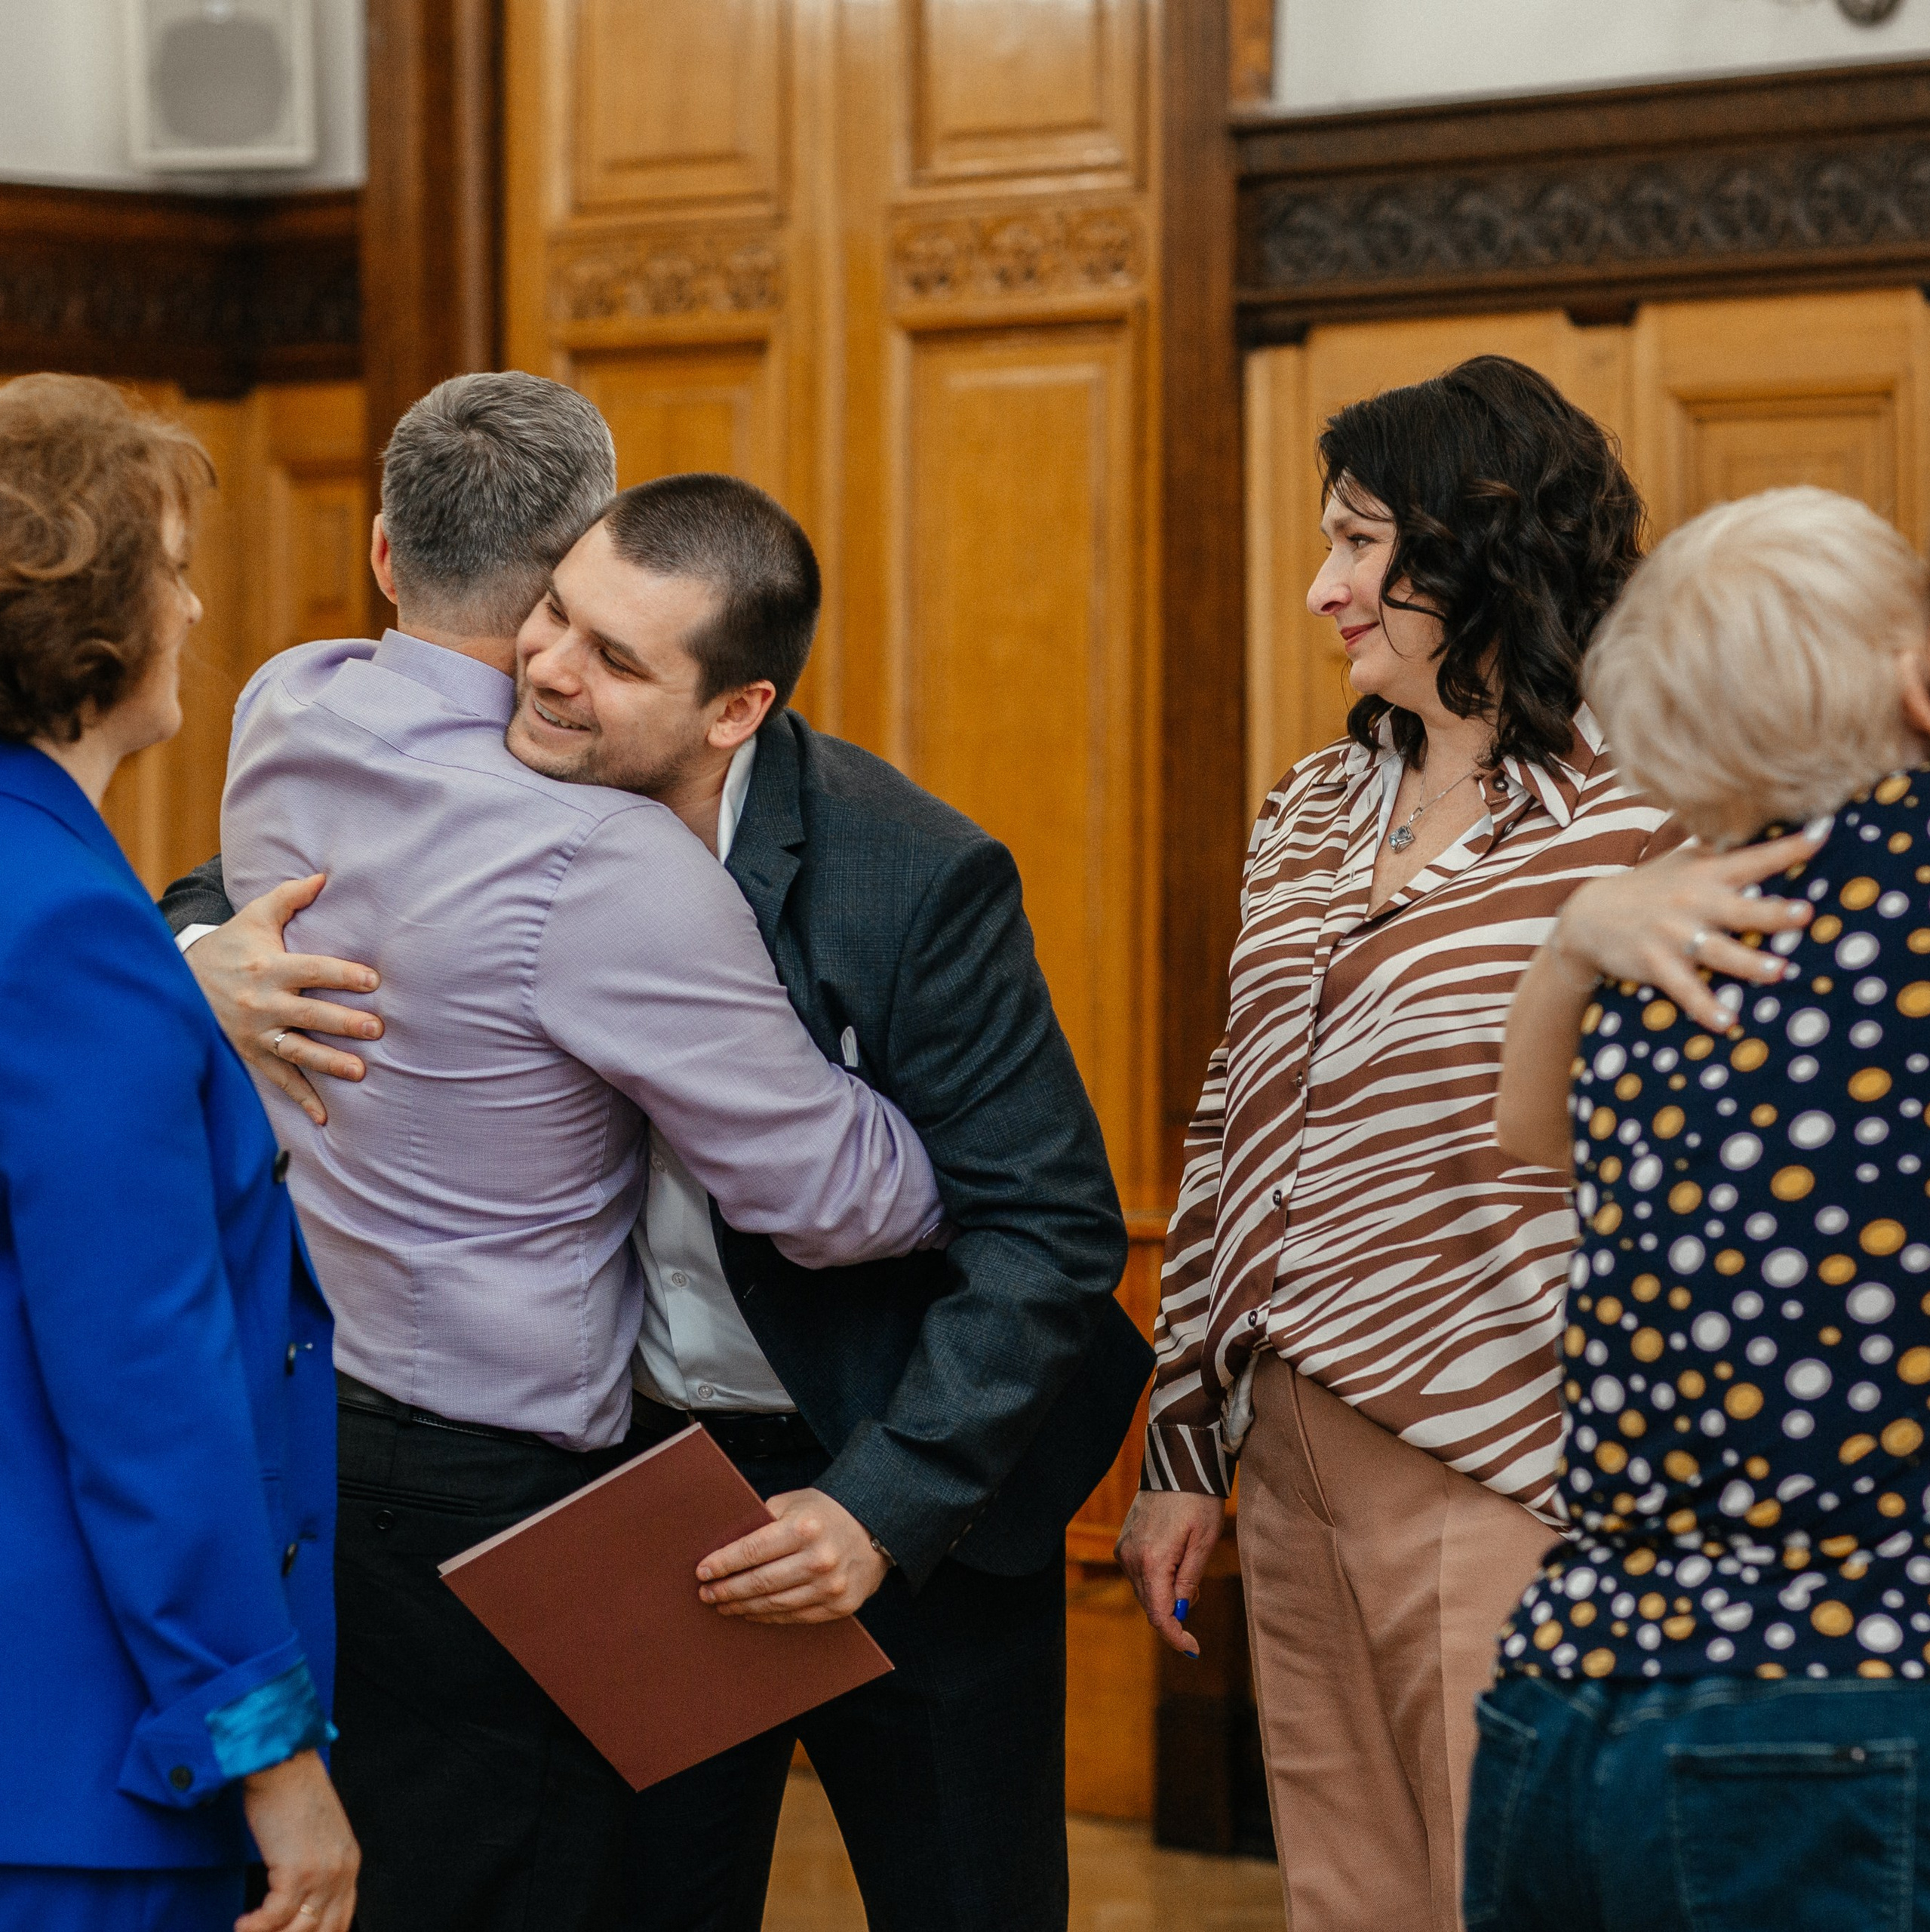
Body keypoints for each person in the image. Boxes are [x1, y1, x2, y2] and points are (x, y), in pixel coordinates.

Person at [164, 388, 1147, 1931]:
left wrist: (876, 1508)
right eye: (554, 614)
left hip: (899, 1468)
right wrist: (197, 949)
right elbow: (273, 868)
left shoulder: (913, 876)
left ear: (732, 709)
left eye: (611, 657)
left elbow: (1049, 1229)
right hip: (642, 1488)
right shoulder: (498, 782)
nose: (542, 666)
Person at [1115, 355, 1678, 1932]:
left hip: (1514, 1437)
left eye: (1360, 542)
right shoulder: (1310, 803)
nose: (1322, 588)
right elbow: (1229, 1123)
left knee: (1508, 1887)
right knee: (1346, 1895)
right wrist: (1180, 1449)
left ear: (1479, 540)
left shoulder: (1647, 801)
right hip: (1285, 1432)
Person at [1470, 485, 1930, 1930]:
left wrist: (1567, 947)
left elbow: (1525, 1141)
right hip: (1841, 1709)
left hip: (1573, 1700)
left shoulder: (1666, 948)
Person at [0, 374, 356, 1931]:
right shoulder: (72, 926)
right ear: (94, 616)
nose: (198, 597)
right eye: (172, 562)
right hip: (85, 1749)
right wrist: (266, 1747)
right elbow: (142, 1378)